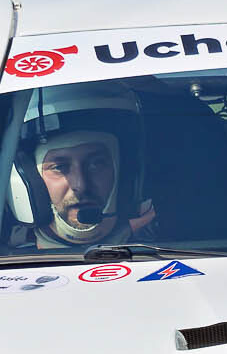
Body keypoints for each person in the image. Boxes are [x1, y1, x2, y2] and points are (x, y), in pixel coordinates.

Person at [16, 85, 156, 249]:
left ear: (126, 171)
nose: (80, 185)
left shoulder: (171, 248)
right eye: (59, 167)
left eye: (95, 164)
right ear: (29, 179)